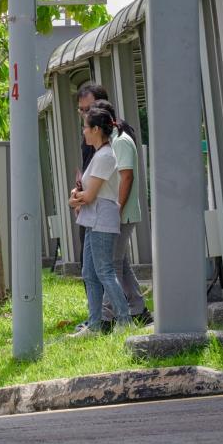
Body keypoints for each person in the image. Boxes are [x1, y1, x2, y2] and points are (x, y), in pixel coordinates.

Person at [68, 107, 132, 336]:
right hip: (93, 218)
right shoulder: (99, 154)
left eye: (85, 127)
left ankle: (125, 320)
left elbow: (90, 195)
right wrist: (78, 196)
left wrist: (76, 198)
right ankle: (94, 324)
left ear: (96, 129)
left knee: (104, 270)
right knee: (89, 272)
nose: (83, 131)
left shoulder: (105, 155)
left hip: (102, 217)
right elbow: (84, 192)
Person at [91, 99, 153, 327]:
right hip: (119, 213)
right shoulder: (116, 141)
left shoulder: (121, 143)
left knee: (110, 265)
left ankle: (108, 318)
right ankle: (138, 309)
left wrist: (116, 207)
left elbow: (126, 177)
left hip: (121, 214)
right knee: (121, 264)